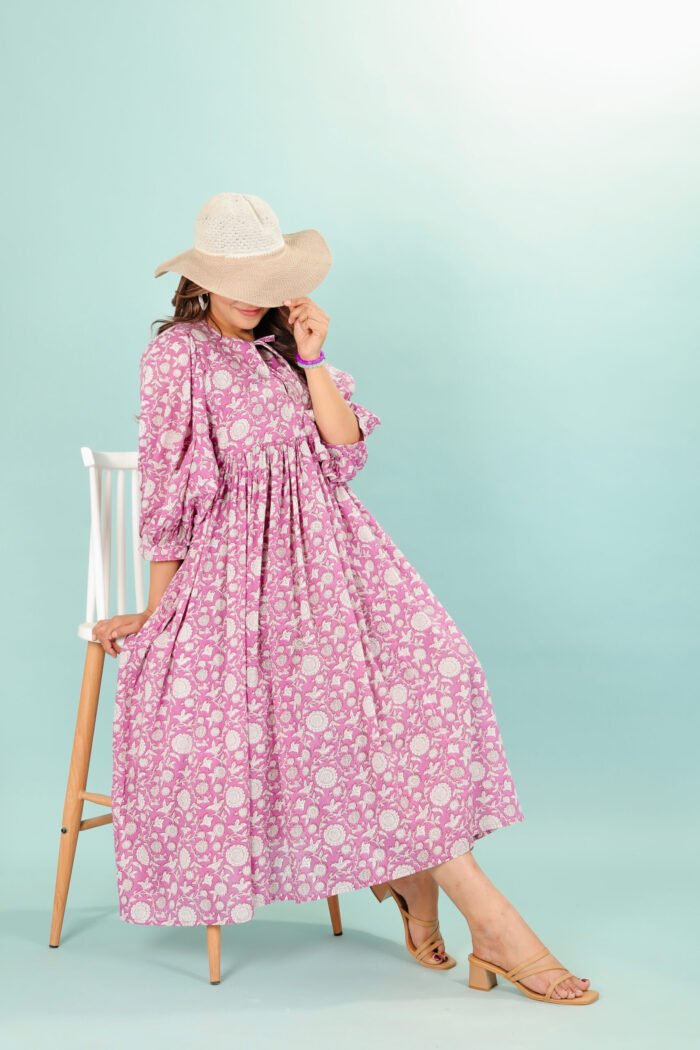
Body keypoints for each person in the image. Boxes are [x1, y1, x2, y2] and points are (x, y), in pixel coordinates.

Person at [92, 192, 598, 1005]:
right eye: (234, 280)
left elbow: (342, 448)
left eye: (265, 278)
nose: (251, 295)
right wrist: (160, 608)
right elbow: (170, 488)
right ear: (200, 280)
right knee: (334, 702)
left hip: (334, 551)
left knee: (435, 672)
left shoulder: (280, 348)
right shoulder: (178, 357)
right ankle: (481, 916)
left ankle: (412, 874)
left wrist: (314, 357)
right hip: (237, 569)